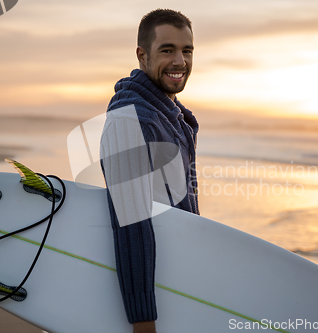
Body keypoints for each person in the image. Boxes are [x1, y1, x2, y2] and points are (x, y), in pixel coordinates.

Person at [100, 9, 199, 333]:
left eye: (187, 50)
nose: (180, 61)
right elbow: (131, 224)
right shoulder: (130, 122)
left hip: (179, 285)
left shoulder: (173, 117)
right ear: (142, 55)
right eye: (167, 49)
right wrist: (143, 320)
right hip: (154, 302)